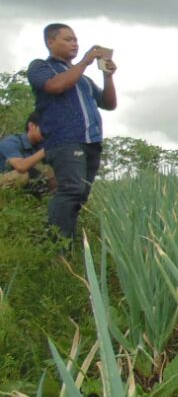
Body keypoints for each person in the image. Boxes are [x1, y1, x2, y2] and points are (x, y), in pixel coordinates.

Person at [27, 24, 117, 238]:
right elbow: (55, 87)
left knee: (81, 195)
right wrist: (85, 61)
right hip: (66, 140)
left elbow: (108, 103)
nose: (74, 43)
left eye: (76, 40)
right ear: (50, 42)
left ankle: (68, 241)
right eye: (68, 39)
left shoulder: (83, 79)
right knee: (71, 190)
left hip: (91, 142)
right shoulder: (41, 67)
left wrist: (108, 76)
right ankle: (57, 246)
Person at [0, 114, 49, 191]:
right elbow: (21, 167)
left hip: (14, 183)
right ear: (31, 126)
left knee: (54, 174)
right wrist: (47, 148)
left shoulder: (38, 145)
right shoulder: (11, 142)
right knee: (22, 175)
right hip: (5, 178)